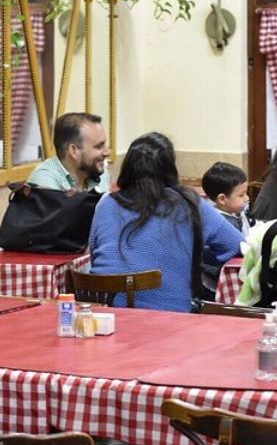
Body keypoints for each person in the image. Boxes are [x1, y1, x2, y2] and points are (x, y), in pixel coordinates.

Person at [88, 133, 242, 312]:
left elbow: (95, 252)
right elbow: (238, 245)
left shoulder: (106, 203)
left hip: (105, 317)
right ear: (170, 168)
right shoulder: (189, 204)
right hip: (171, 320)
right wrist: (196, 253)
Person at [28, 112, 110, 193]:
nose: (107, 153)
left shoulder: (100, 171)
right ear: (73, 151)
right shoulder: (45, 182)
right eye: (99, 146)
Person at [201, 161, 250, 235]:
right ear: (222, 199)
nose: (247, 198)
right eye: (241, 195)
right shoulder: (223, 226)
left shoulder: (234, 211)